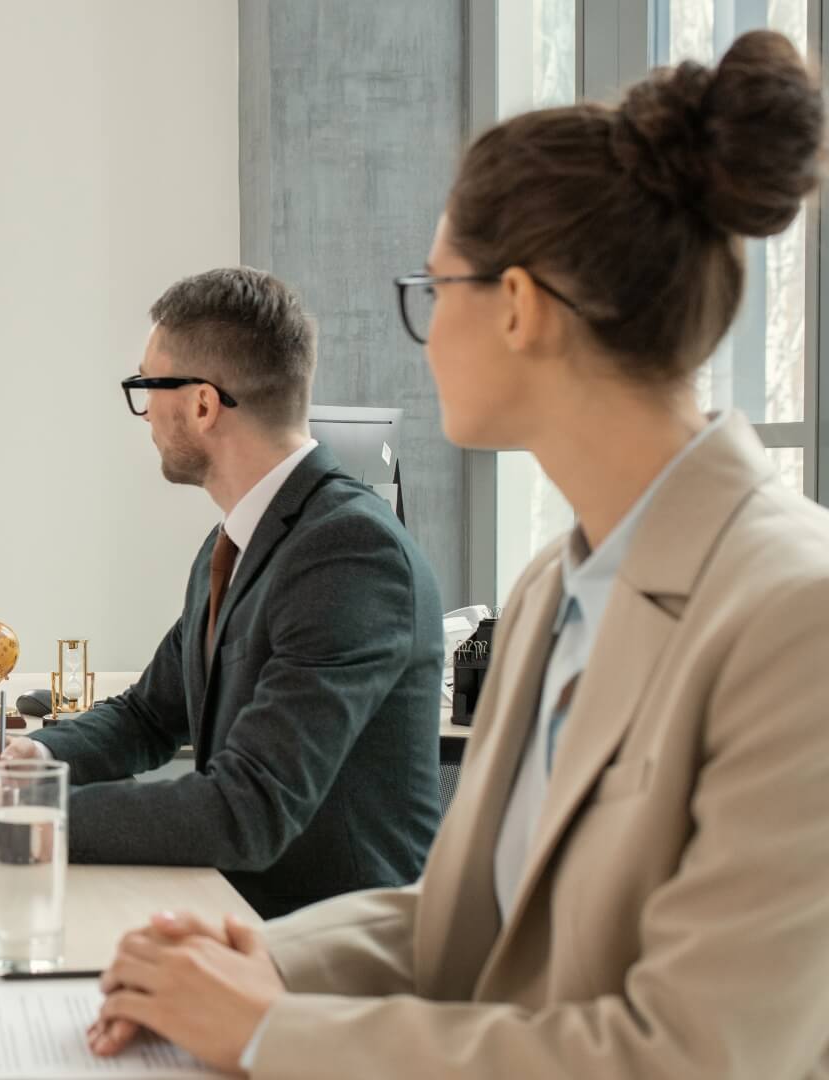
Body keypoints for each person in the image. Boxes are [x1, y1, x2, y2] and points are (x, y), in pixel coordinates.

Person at [88, 31, 829, 1078]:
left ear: (519, 307)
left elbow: (688, 1056)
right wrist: (261, 958)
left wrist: (269, 1028)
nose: (423, 334)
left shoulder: (798, 617)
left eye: (432, 292)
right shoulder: (550, 593)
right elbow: (467, 915)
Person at [0, 268, 444, 919]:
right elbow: (149, 716)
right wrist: (41, 753)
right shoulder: (233, 540)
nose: (143, 413)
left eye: (147, 387)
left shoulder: (350, 556)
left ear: (203, 405)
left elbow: (246, 809)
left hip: (332, 951)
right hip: (235, 912)